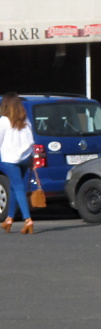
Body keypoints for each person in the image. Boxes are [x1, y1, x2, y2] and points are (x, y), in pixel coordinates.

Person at [0, 92, 35, 234]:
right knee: (14, 188)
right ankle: (9, 219)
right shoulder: (25, 120)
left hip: (10, 160)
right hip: (25, 158)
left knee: (18, 187)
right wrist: (31, 156)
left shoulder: (4, 121)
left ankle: (28, 219)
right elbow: (31, 139)